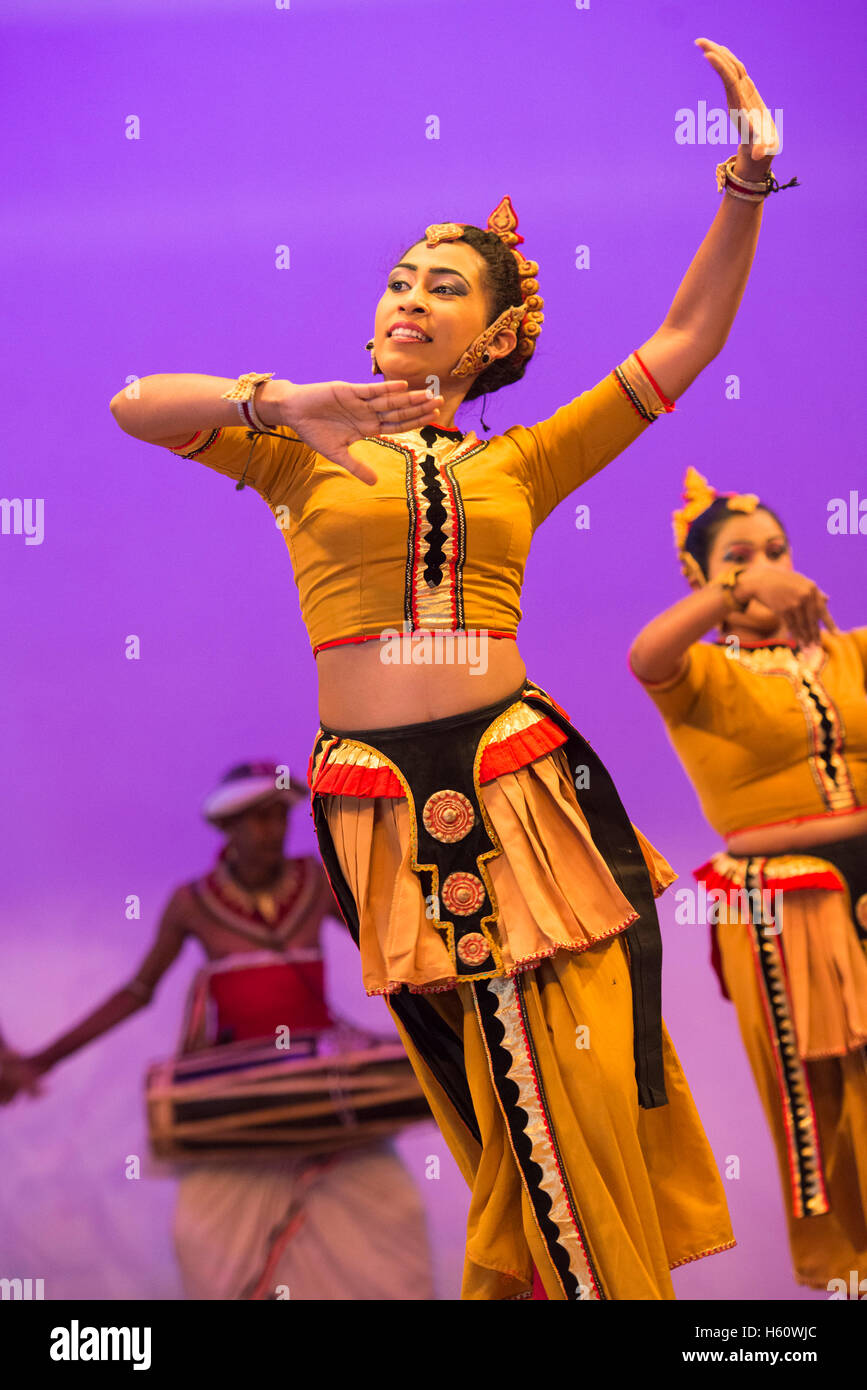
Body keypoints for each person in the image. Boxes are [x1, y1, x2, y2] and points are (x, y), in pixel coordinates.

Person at [106, 37, 795, 1301]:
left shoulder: (520, 462)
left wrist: (745, 180)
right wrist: (275, 401)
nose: (408, 299)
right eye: (398, 280)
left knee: (557, 1076)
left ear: (498, 335)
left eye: (444, 287)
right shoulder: (297, 449)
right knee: (488, 1095)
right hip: (377, 798)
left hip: (517, 786)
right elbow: (136, 403)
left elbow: (687, 338)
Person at [0, 763, 435, 1301]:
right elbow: (139, 991)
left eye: (278, 816)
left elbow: (389, 951)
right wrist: (43, 1060)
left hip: (328, 1094)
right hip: (238, 1100)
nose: (271, 830)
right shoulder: (192, 904)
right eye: (256, 820)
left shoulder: (318, 883)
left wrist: (454, 1006)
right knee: (203, 1243)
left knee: (395, 1222)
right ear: (227, 828)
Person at [628, 465, 867, 1292]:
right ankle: (847, 1270)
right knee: (817, 1086)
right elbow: (644, 653)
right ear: (701, 576)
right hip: (785, 904)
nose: (766, 566)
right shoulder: (702, 674)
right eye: (736, 556)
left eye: (776, 550)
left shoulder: (850, 651)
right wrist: (736, 588)